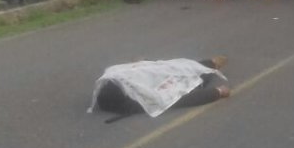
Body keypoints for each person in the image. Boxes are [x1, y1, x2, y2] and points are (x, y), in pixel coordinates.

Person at [90, 56, 230, 119]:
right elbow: (179, 100)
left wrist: (141, 63)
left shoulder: (117, 77)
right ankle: (208, 65)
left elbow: (157, 68)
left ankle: (208, 65)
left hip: (122, 85)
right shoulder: (139, 99)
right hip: (128, 94)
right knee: (180, 85)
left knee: (169, 74)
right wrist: (216, 93)